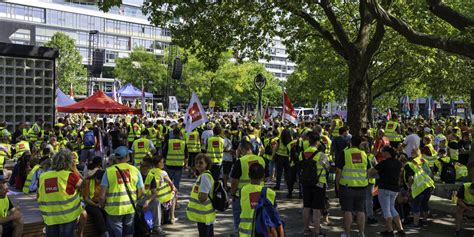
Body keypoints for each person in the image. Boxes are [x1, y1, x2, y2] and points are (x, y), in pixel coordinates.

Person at [99, 146, 145, 237]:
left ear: (116, 158)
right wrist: (135, 199)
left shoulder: (108, 171)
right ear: (127, 157)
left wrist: (102, 205)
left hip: (113, 210)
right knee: (129, 234)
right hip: (130, 208)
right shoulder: (135, 170)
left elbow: (101, 196)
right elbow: (141, 192)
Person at [37, 149, 83, 236]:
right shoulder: (70, 175)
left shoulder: (43, 176)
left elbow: (38, 194)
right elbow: (83, 185)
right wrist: (75, 169)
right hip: (67, 216)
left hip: (49, 216)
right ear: (69, 162)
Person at [336, 136, 370, 237]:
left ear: (350, 143)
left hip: (347, 186)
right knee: (360, 210)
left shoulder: (345, 153)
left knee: (347, 210)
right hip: (362, 186)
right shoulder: (364, 154)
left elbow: (338, 171)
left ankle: (347, 233)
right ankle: (361, 233)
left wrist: (337, 185)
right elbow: (368, 171)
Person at [230, 140, 266, 234]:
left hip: (242, 196)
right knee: (258, 219)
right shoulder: (261, 159)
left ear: (242, 149)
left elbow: (234, 181)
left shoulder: (240, 161)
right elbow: (266, 176)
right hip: (259, 194)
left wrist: (233, 194)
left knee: (240, 221)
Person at [369, 146, 405, 236]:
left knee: (386, 210)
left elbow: (372, 171)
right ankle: (400, 230)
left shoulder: (383, 163)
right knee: (392, 208)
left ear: (387, 153)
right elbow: (400, 175)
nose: (381, 153)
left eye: (383, 152)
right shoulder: (399, 163)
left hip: (384, 188)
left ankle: (390, 231)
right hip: (395, 189)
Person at [301, 132, 329, 236]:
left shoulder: (302, 154)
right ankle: (317, 230)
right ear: (317, 142)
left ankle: (306, 229)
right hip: (319, 184)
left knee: (306, 206)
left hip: (306, 183)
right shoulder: (321, 155)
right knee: (317, 208)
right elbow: (328, 167)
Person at [239, 162, 276, 237]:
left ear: (249, 175)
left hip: (245, 233)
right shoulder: (270, 193)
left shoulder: (243, 190)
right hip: (264, 232)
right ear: (263, 176)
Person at [143, 156, 176, 234]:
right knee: (174, 195)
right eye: (162, 162)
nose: (163, 163)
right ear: (158, 163)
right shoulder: (163, 172)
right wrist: (173, 188)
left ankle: (161, 219)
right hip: (161, 196)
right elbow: (170, 183)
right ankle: (172, 217)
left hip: (150, 195)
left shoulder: (150, 171)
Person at [403, 149, 435, 228]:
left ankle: (415, 224)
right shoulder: (418, 164)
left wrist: (410, 188)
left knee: (415, 206)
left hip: (419, 188)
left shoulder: (408, 165)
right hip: (428, 185)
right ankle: (424, 221)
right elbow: (429, 173)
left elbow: (410, 178)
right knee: (424, 204)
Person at [186, 153, 216, 237]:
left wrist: (199, 196)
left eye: (201, 163)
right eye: (196, 163)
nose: (198, 165)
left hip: (204, 215)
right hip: (205, 215)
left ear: (207, 164)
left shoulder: (205, 177)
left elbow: (203, 197)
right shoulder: (204, 175)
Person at [82, 169, 108, 237]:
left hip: (101, 203)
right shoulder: (88, 182)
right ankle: (104, 233)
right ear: (95, 177)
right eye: (98, 180)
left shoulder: (105, 183)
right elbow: (86, 199)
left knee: (106, 212)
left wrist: (102, 204)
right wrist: (95, 205)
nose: (99, 182)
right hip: (90, 204)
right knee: (97, 213)